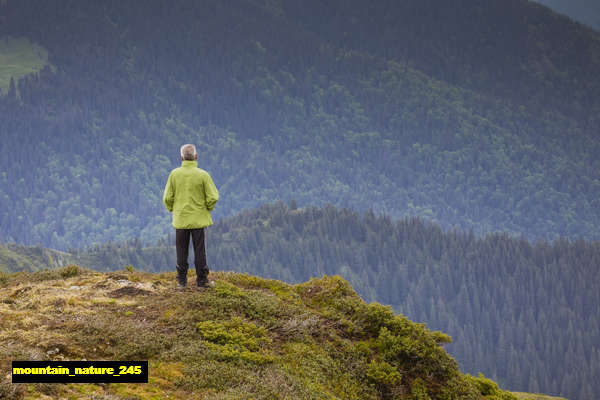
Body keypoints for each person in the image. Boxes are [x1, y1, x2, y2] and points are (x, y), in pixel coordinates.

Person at [163, 144, 219, 290]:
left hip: (181, 219)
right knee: (199, 250)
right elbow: (213, 197)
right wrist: (207, 208)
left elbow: (167, 198)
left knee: (181, 250)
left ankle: (181, 281)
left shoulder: (174, 174)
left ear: (181, 157)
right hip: (198, 220)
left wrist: (173, 210)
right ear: (196, 156)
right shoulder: (203, 175)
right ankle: (202, 281)